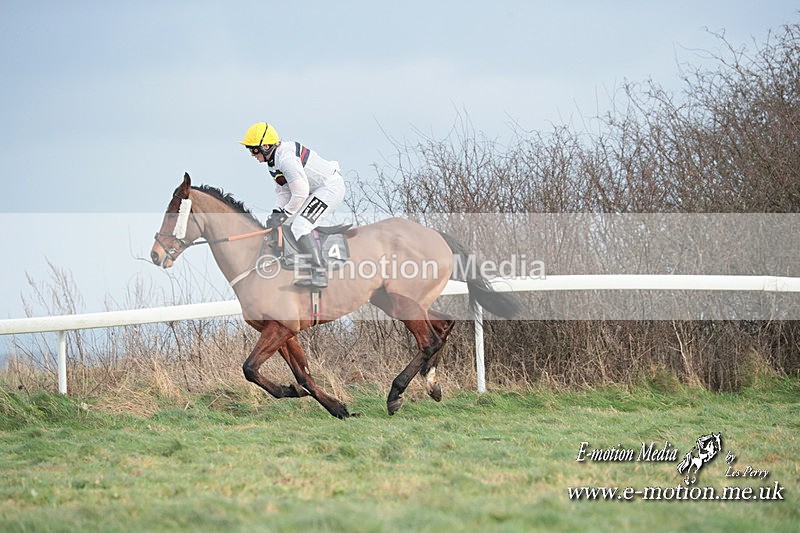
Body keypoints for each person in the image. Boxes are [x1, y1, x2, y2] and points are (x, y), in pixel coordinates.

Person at [239, 122, 345, 289]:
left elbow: (301, 192)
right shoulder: (273, 162)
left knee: (300, 227)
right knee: (286, 225)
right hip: (313, 191)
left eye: (254, 149)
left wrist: (285, 213)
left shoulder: (286, 159)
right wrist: (276, 213)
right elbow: (284, 192)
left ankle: (319, 273)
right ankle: (300, 266)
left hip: (329, 189)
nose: (252, 154)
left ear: (266, 146)